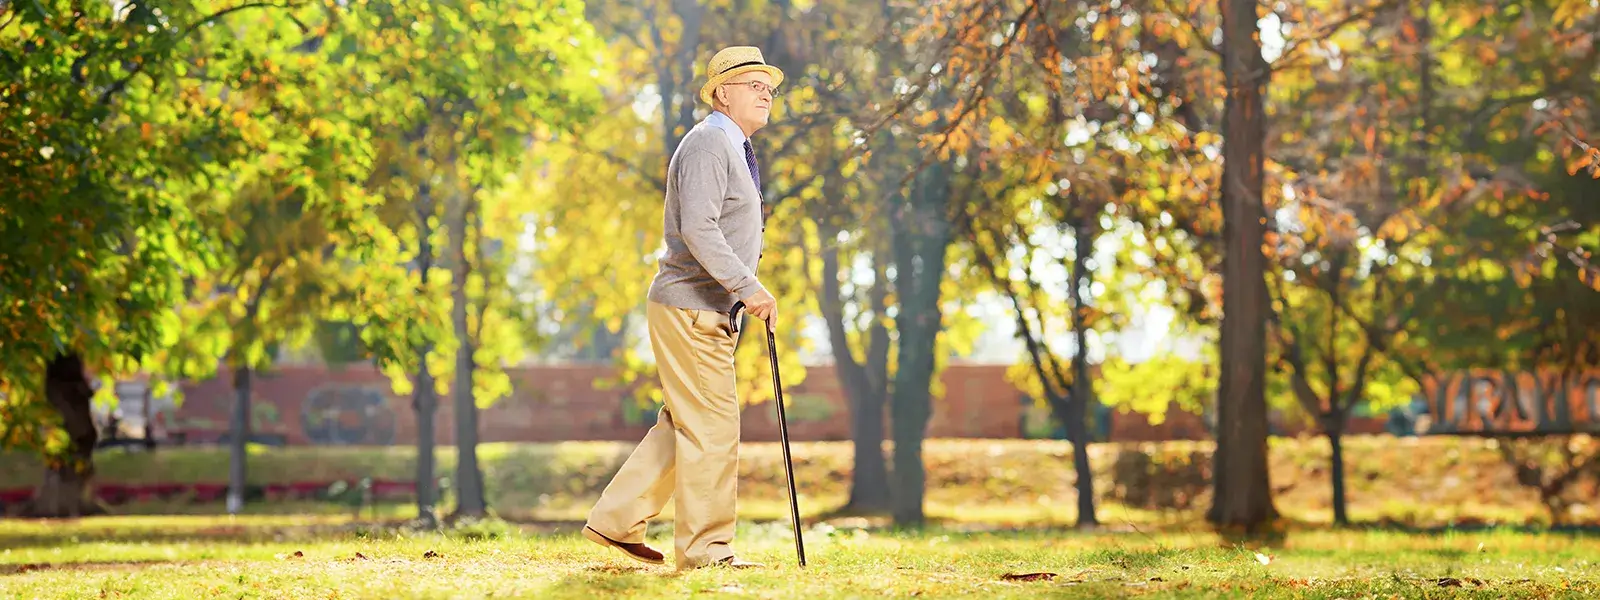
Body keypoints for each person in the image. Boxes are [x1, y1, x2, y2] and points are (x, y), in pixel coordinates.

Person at [581, 46, 782, 571]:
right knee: (713, 429)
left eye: (769, 86)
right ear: (721, 93)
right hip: (692, 307)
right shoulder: (710, 144)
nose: (766, 92)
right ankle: (706, 551)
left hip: (701, 309)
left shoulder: (729, 147)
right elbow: (698, 227)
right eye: (752, 83)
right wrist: (748, 286)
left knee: (686, 425)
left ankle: (616, 520)